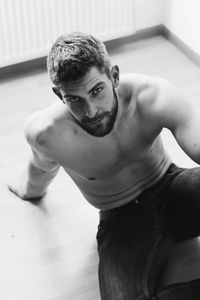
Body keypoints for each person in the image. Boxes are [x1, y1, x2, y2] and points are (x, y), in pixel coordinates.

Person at [8, 32, 200, 299]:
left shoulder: (153, 95)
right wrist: (26, 191)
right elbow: (39, 171)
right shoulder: (46, 133)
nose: (91, 111)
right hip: (122, 219)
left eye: (96, 91)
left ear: (114, 76)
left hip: (173, 188)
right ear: (59, 95)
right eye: (74, 99)